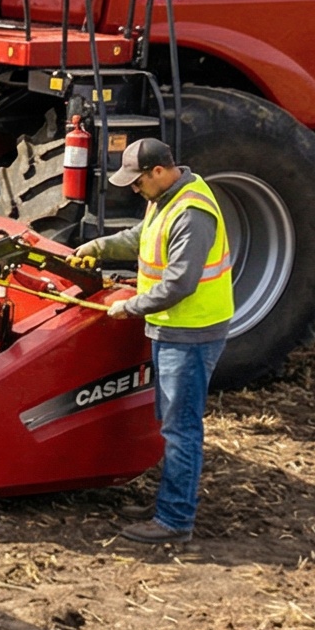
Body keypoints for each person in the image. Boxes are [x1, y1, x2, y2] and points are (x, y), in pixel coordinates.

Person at [70, 137, 236, 544]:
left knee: (181, 429)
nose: (134, 188)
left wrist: (129, 307)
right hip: (171, 328)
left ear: (159, 171)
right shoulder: (165, 197)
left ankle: (175, 519)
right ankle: (169, 501)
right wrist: (99, 247)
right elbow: (141, 237)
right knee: (170, 422)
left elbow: (179, 283)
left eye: (137, 180)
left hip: (191, 333)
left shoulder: (192, 213)